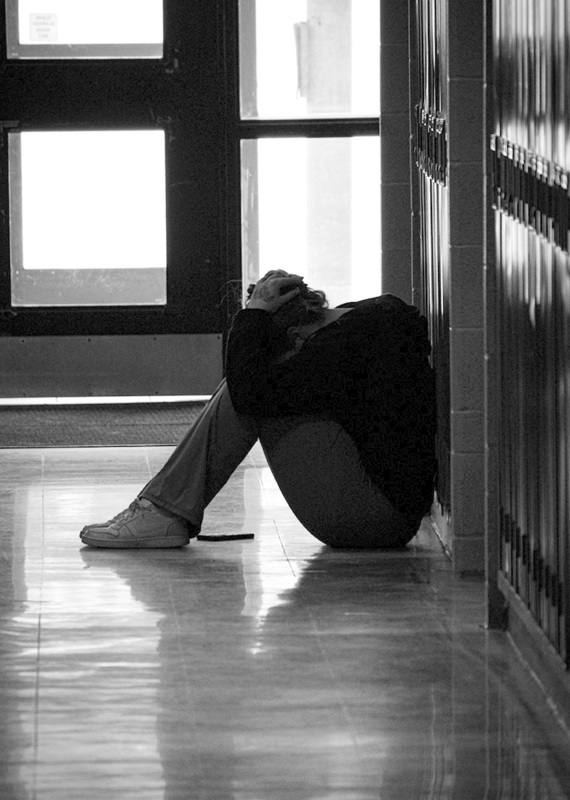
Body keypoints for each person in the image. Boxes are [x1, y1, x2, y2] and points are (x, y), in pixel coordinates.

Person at [80, 270, 436, 550]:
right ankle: (162, 507)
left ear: (295, 337)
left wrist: (254, 316)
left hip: (372, 520)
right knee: (252, 384)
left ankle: (164, 511)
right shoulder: (357, 323)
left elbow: (247, 391)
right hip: (385, 509)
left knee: (248, 390)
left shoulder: (334, 348)